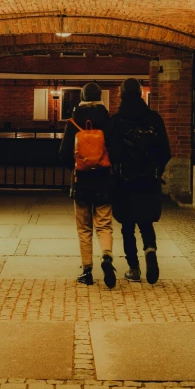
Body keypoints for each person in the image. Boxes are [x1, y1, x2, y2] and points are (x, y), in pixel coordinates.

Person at [109, 78, 171, 285]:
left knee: (127, 227)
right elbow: (166, 151)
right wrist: (156, 169)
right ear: (141, 93)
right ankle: (150, 250)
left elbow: (112, 152)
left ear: (121, 94)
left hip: (124, 181)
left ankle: (133, 269)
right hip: (148, 180)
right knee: (146, 223)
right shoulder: (154, 118)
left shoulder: (117, 120)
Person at [59, 82, 116, 288]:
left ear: (82, 97)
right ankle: (107, 256)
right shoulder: (108, 122)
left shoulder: (73, 122)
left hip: (81, 183)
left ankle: (87, 270)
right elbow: (116, 151)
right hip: (104, 181)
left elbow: (64, 154)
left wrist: (77, 167)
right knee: (104, 224)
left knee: (84, 228)